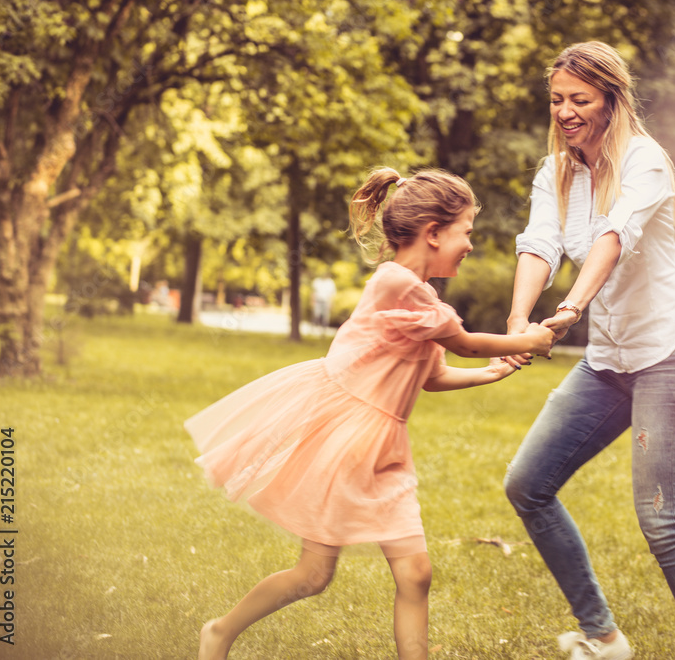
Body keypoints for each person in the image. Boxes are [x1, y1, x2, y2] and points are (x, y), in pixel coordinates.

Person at [188, 167, 555, 660]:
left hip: (384, 453)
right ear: (433, 233)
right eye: (466, 232)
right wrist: (526, 338)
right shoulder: (396, 284)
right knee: (313, 575)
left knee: (415, 573)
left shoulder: (421, 297)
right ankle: (220, 631)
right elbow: (463, 342)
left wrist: (493, 373)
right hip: (344, 444)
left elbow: (433, 375)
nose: (470, 244)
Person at [502, 42, 675, 659]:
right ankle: (603, 637)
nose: (565, 112)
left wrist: (570, 309)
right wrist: (520, 318)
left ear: (611, 99)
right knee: (528, 483)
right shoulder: (556, 173)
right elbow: (540, 244)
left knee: (663, 523)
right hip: (609, 359)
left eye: (580, 99)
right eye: (556, 100)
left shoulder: (644, 160)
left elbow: (613, 236)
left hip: (670, 349)